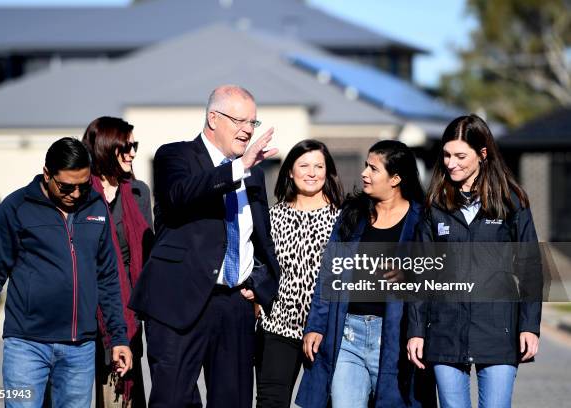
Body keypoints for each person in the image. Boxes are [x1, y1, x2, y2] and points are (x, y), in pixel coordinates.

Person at [129, 85, 280, 408]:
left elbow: (259, 237)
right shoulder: (175, 156)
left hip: (234, 305)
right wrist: (237, 169)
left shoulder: (253, 173)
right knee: (172, 401)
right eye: (240, 121)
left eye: (252, 123)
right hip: (179, 301)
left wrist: (260, 283)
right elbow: (179, 196)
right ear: (213, 118)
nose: (247, 130)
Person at [0, 137, 132, 408]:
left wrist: (119, 338)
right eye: (66, 186)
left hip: (80, 348)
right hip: (27, 347)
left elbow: (107, 277)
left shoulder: (95, 207)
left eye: (83, 185)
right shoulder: (15, 208)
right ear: (47, 174)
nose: (76, 194)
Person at [406, 114, 542, 408]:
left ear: (482, 154)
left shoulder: (512, 203)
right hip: (444, 332)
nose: (451, 163)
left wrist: (530, 325)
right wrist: (416, 331)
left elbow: (530, 267)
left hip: (498, 332)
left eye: (460, 156)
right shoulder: (435, 206)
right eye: (446, 155)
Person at [297, 140, 436, 408]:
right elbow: (330, 272)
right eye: (365, 166)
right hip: (348, 334)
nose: (364, 173)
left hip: (395, 337)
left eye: (373, 169)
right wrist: (316, 325)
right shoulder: (353, 214)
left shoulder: (422, 220)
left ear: (395, 179)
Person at [256, 140, 344, 408]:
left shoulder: (343, 219)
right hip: (278, 326)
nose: (312, 172)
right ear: (290, 172)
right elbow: (260, 265)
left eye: (319, 166)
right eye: (304, 166)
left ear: (328, 172)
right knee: (271, 402)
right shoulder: (272, 217)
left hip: (327, 330)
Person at [82, 117, 153, 408]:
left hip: (126, 312)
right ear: (103, 148)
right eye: (124, 146)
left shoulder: (139, 193)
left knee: (121, 397)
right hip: (85, 311)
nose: (132, 152)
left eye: (134, 145)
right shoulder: (79, 194)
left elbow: (148, 257)